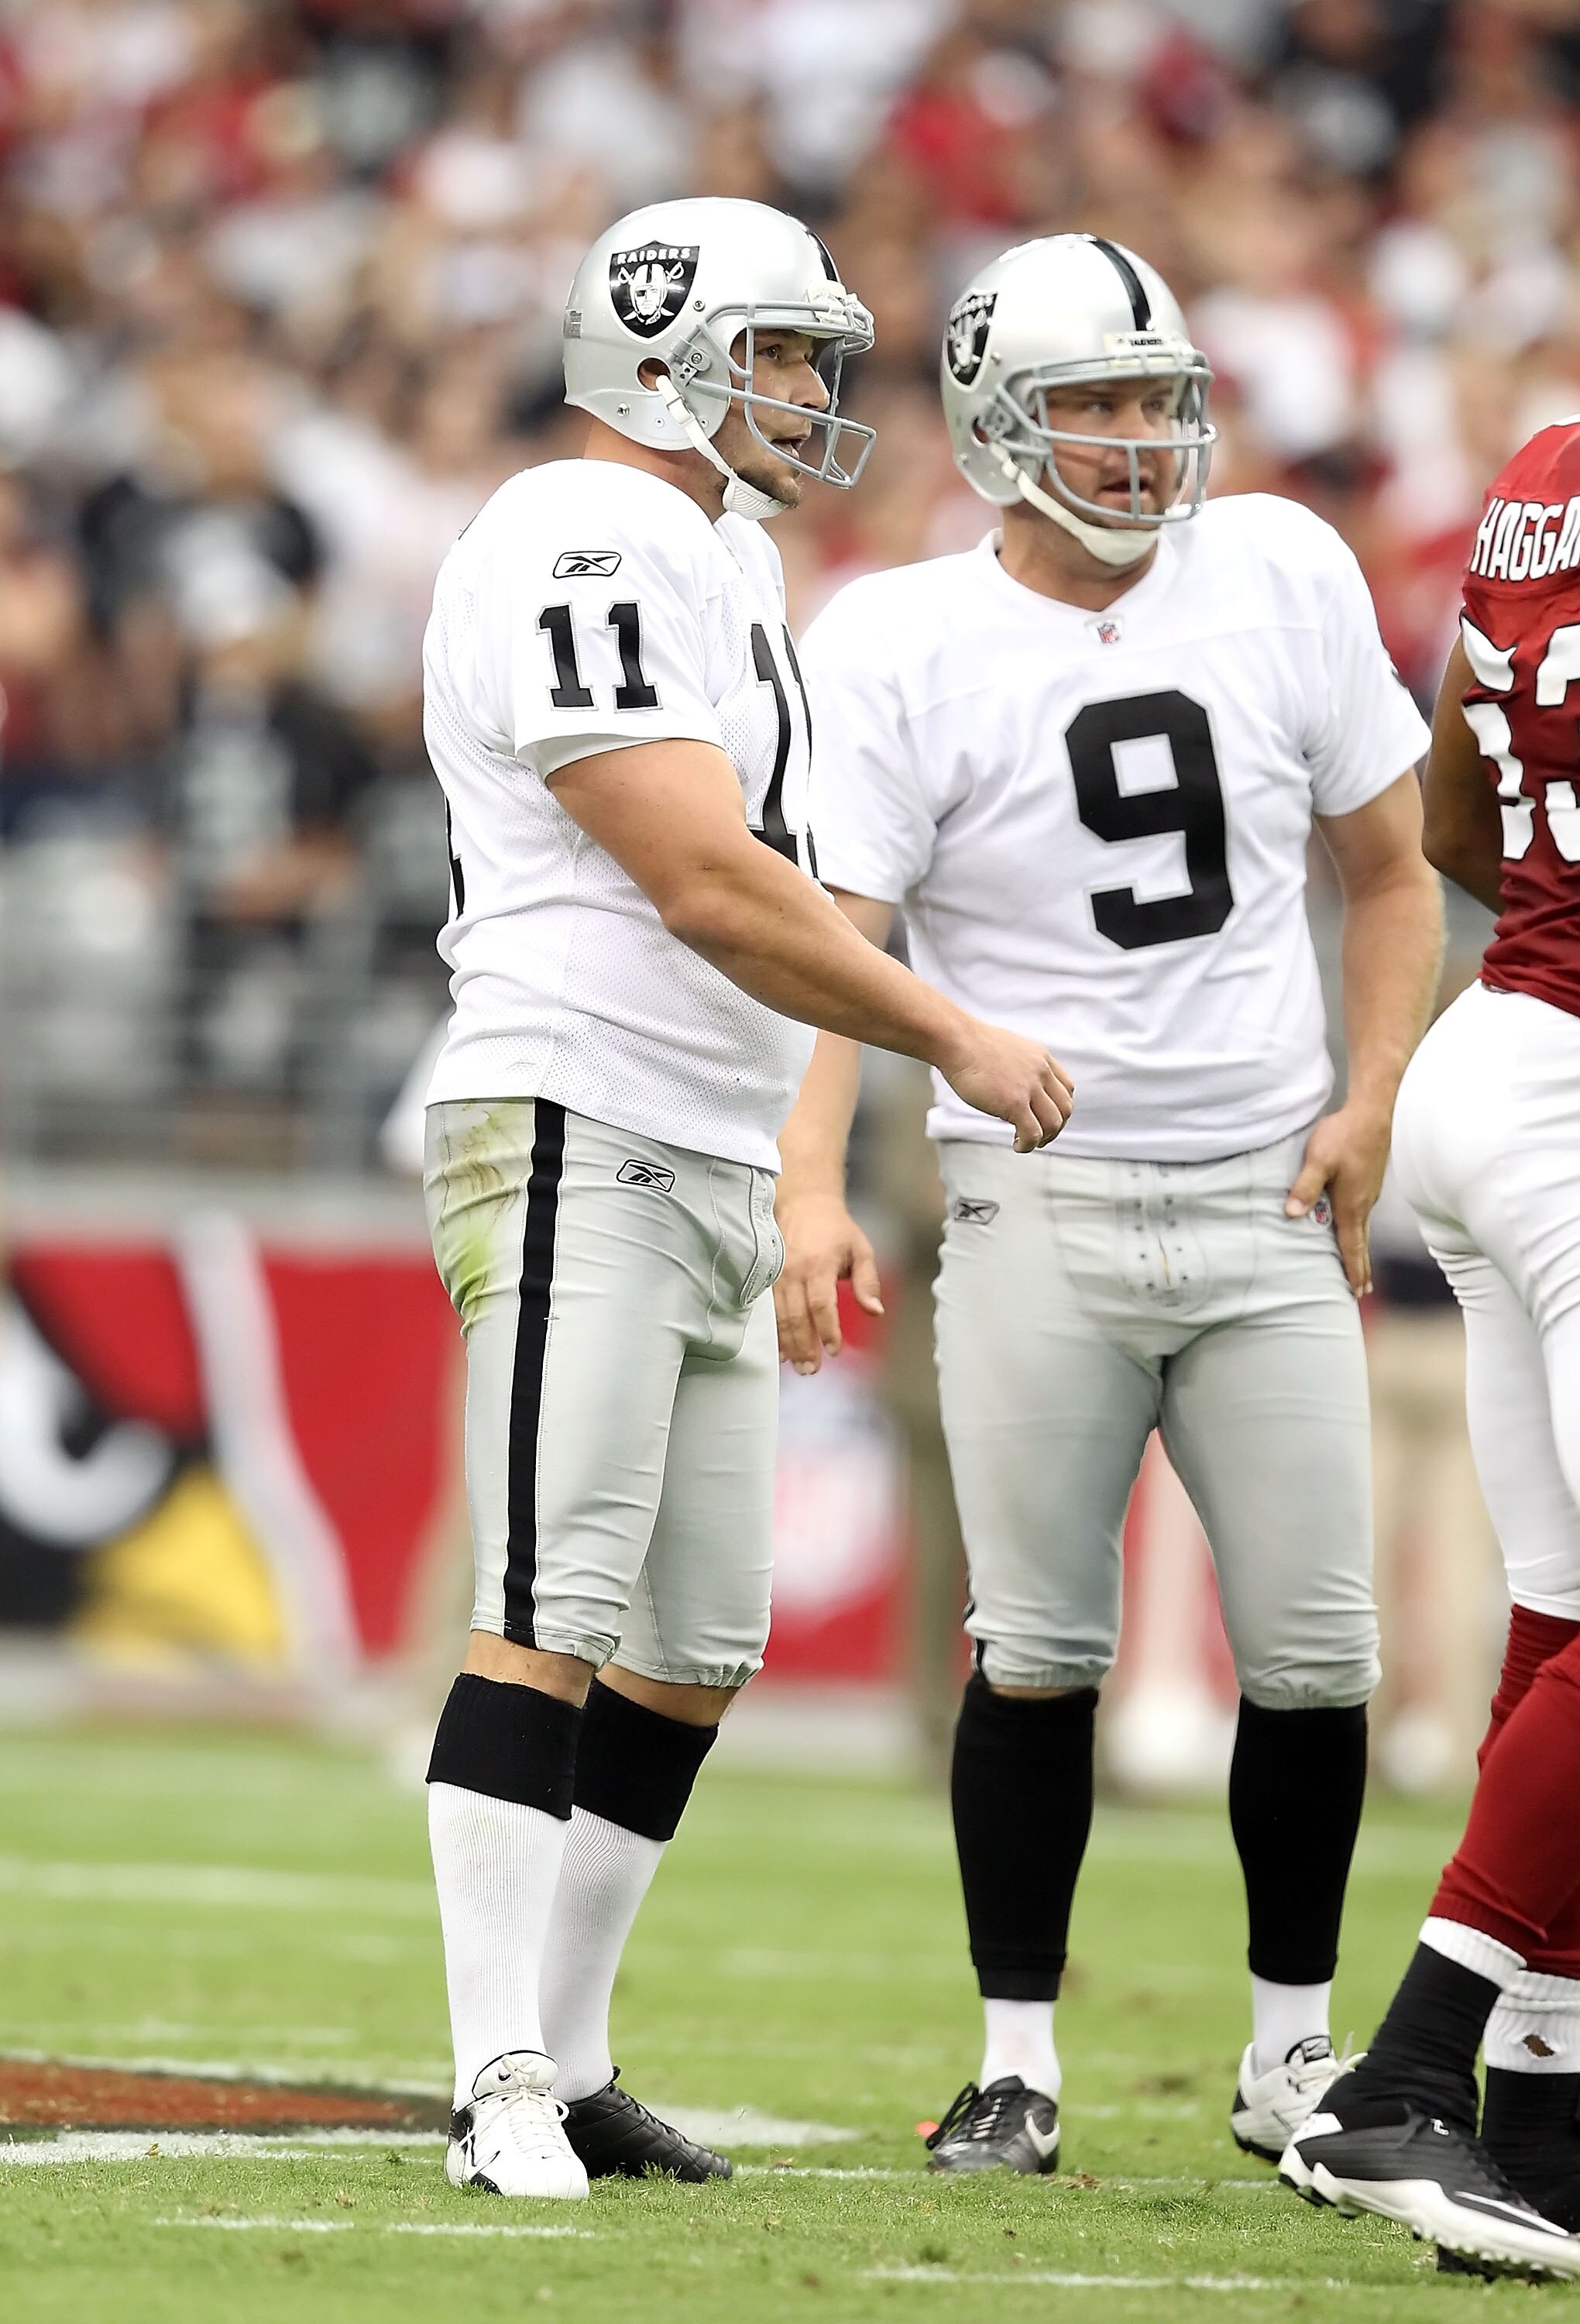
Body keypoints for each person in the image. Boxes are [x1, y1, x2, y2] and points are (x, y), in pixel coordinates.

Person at [419, 195, 1075, 2202]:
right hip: (574, 1113)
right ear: (658, 348)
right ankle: (494, 2072)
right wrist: (945, 1031)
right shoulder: (578, 533)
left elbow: (756, 887)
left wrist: (796, 1165)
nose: (809, 391)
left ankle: (582, 2050)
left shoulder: (719, 548)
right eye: (778, 352)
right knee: (547, 1602)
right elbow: (702, 879)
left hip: (696, 1139)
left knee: (696, 1634)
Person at [774, 232, 1441, 2175]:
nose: (1142, 442)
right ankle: (1018, 2059)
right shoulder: (899, 635)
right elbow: (841, 939)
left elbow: (1392, 873)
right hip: (1031, 1196)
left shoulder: (1287, 568)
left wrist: (1371, 1095)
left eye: (1160, 398)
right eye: (1095, 403)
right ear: (995, 424)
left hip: (1258, 1194)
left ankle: (1296, 2057)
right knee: (1037, 1644)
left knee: (1317, 1652)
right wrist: (816, 1173)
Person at [1280, 424, 1580, 2281]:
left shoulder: (1549, 460)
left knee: (1560, 1619)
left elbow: (1462, 812)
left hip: (1500, 1039)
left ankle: (1547, 2096)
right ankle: (1401, 2075)